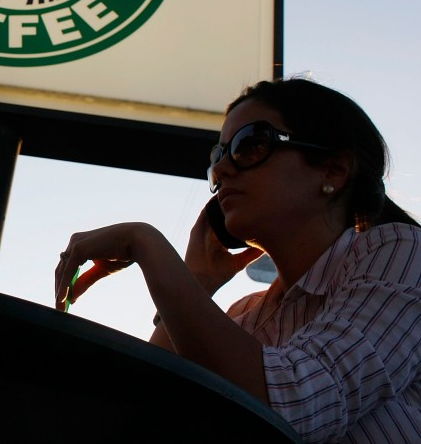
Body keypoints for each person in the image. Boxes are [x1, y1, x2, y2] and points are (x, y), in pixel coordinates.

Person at [55, 76, 421, 443]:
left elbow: (295, 405)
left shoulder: (401, 253)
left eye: (249, 144)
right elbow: (141, 411)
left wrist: (144, 241)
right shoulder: (244, 319)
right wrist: (196, 279)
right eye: (218, 155)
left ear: (333, 171)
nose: (224, 169)